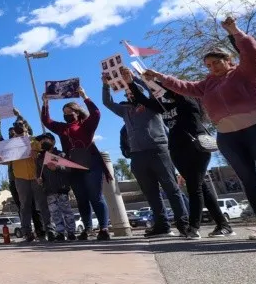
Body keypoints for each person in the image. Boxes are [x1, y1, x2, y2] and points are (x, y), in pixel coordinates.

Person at [146, 17, 256, 240]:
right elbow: (185, 87)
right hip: (228, 136)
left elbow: (252, 53)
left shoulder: (245, 72)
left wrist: (235, 31)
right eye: (208, 65)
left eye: (216, 62)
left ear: (229, 60)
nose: (212, 68)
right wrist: (159, 77)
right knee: (248, 180)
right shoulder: (207, 84)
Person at [127, 75, 234, 238]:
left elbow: (162, 87)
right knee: (200, 187)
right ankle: (223, 225)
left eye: (165, 88)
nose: (160, 92)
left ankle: (193, 228)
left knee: (194, 187)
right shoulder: (164, 106)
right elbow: (145, 99)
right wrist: (130, 82)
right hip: (177, 150)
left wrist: (148, 79)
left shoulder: (187, 100)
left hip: (196, 147)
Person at [103, 68, 189, 238]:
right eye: (127, 93)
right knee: (151, 192)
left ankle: (184, 224)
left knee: (171, 189)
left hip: (159, 150)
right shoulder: (125, 110)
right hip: (138, 155)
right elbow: (107, 103)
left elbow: (152, 90)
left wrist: (134, 79)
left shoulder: (152, 104)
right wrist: (105, 85)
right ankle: (162, 225)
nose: (129, 94)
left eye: (131, 91)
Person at [41, 87, 113, 241]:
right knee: (81, 198)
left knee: (96, 196)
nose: (67, 115)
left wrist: (85, 97)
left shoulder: (86, 124)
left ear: (77, 112)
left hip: (91, 162)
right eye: (64, 113)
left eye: (69, 112)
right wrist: (45, 103)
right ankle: (87, 229)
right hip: (73, 165)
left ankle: (104, 228)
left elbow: (96, 113)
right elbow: (46, 121)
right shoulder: (62, 128)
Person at [0, 114, 50, 242]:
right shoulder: (10, 145)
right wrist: (0, 161)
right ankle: (27, 233)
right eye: (15, 125)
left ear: (26, 126)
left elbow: (44, 156)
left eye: (20, 124)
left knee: (42, 205)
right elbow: (7, 162)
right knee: (24, 206)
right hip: (20, 178)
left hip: (36, 177)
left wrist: (36, 153)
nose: (17, 127)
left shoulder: (34, 141)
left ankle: (49, 230)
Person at [35, 133, 76, 241]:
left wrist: (57, 167)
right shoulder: (40, 158)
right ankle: (60, 233)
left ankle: (71, 232)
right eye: (41, 140)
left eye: (45, 139)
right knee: (55, 213)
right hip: (49, 190)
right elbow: (39, 174)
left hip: (61, 188)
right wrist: (39, 180)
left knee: (66, 211)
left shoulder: (60, 154)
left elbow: (69, 169)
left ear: (52, 141)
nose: (43, 142)